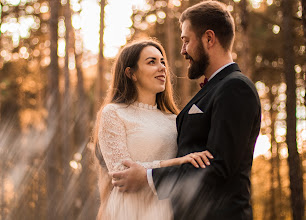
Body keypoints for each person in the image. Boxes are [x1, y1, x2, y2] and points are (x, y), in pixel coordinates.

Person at [111, 1, 262, 220]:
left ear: (209, 39)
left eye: (186, 41)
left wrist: (148, 177)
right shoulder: (214, 88)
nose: (183, 51)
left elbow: (218, 167)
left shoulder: (235, 88)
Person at [92, 39, 213, 220]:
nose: (162, 67)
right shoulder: (114, 113)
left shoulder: (175, 119)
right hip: (128, 210)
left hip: (168, 209)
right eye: (152, 62)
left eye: (162, 61)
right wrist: (176, 162)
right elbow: (121, 173)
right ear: (131, 73)